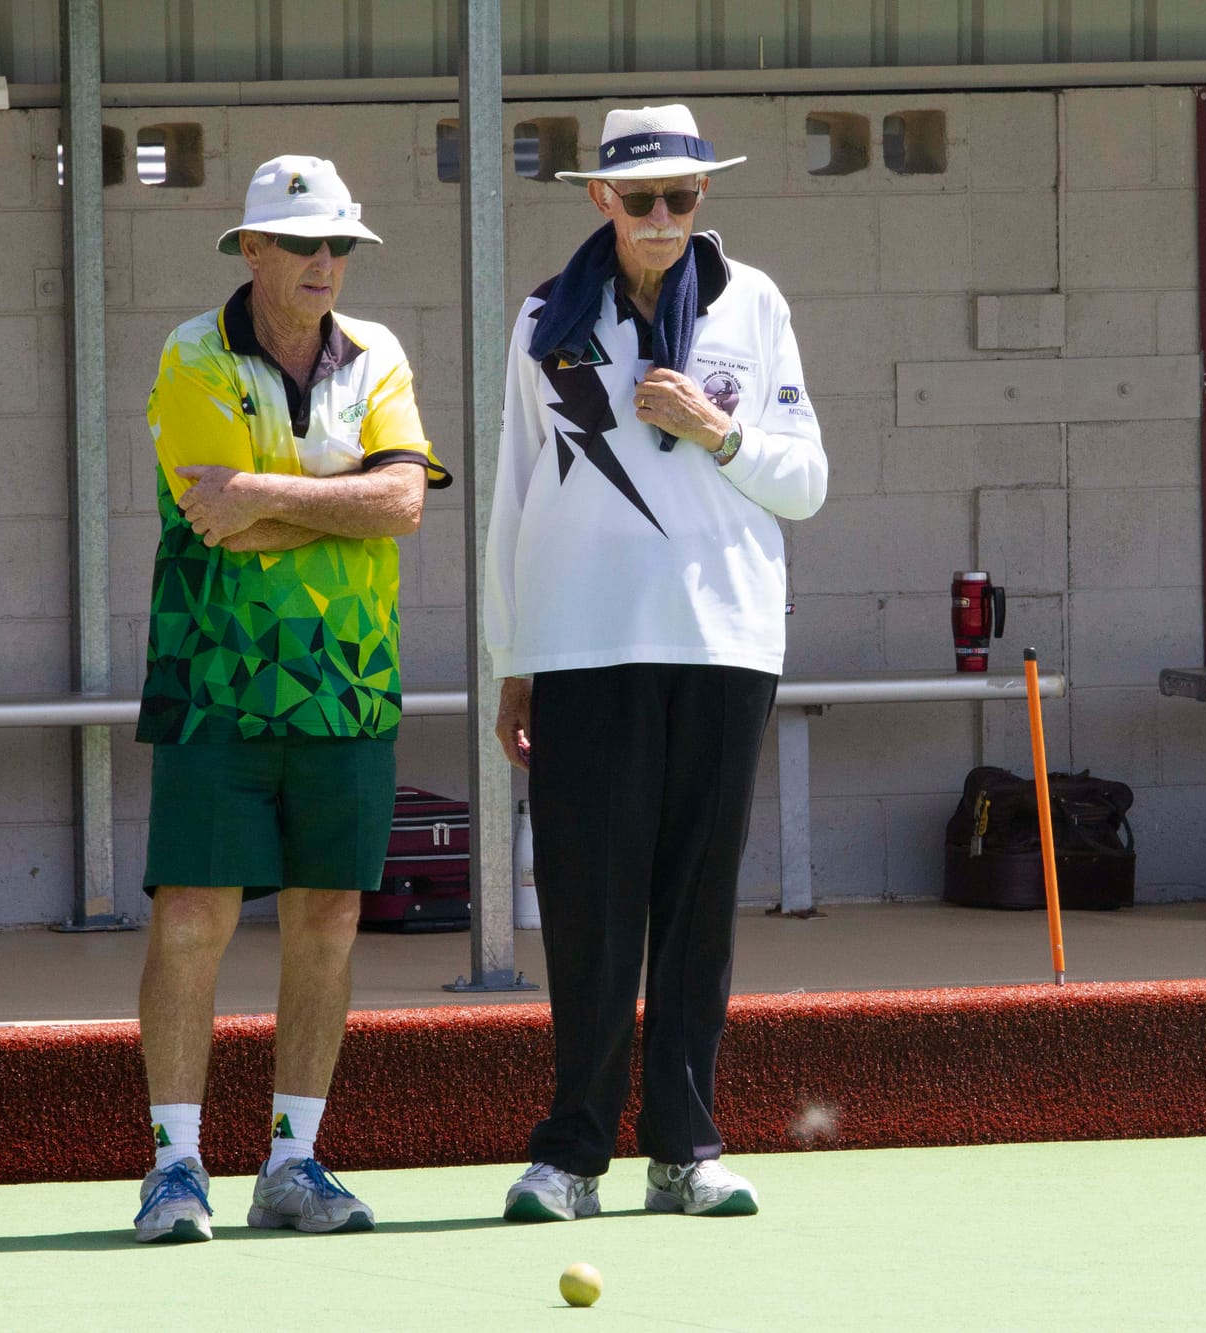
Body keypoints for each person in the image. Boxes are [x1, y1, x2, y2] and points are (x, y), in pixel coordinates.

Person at [484, 105, 828, 1222]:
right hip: (581, 644)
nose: (663, 218)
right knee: (587, 910)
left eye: (683, 196)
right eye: (641, 199)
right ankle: (570, 1155)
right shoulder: (546, 315)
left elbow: (806, 482)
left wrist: (714, 428)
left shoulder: (754, 303)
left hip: (723, 642)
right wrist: (511, 659)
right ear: (600, 199)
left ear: (702, 199)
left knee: (695, 907)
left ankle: (685, 1147)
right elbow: (512, 495)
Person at [130, 155, 449, 1243]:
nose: (326, 263)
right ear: (250, 249)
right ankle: (174, 1165)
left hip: (349, 687)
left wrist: (268, 491)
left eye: (340, 247)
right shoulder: (189, 354)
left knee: (329, 916)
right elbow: (216, 524)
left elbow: (404, 500)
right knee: (192, 914)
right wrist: (342, 499)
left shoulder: (381, 356)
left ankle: (293, 1162)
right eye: (304, 244)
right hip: (214, 683)